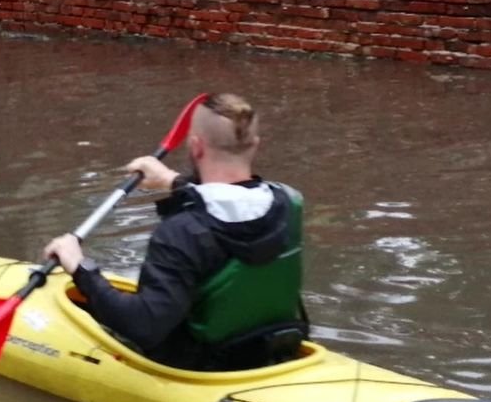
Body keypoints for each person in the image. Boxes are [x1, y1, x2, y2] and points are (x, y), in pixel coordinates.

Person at [44, 93, 307, 370]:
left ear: (196, 147)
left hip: (202, 366)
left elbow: (144, 327)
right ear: (255, 145)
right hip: (274, 347)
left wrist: (80, 267)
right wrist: (171, 180)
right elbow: (232, 204)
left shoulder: (181, 232)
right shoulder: (288, 202)